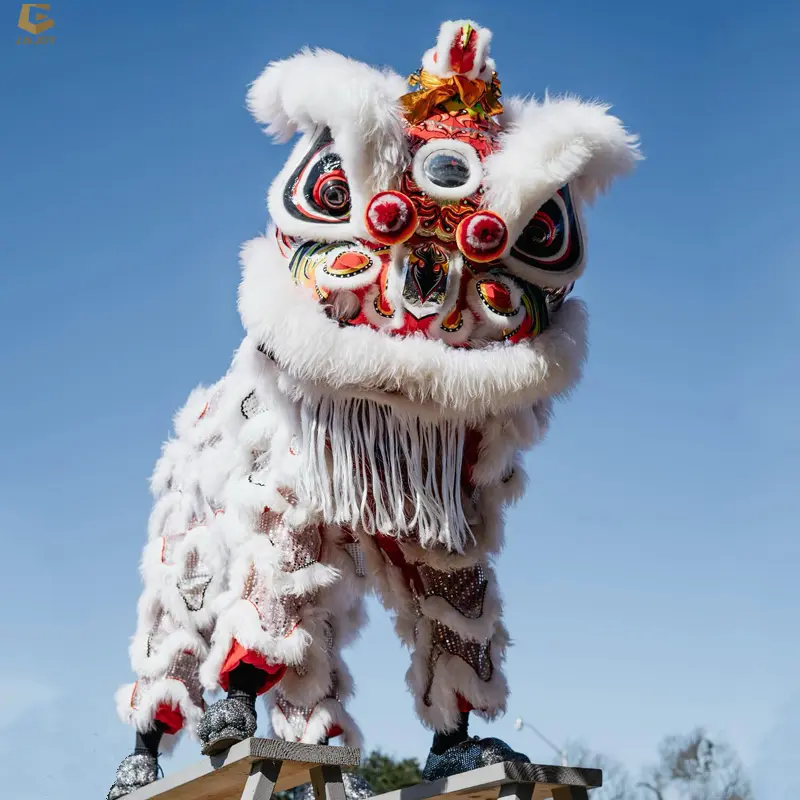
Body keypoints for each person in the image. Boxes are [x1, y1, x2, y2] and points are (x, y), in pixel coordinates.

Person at [107, 19, 639, 799]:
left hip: (424, 433)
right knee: (239, 553)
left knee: (446, 566)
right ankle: (168, 733)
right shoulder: (289, 359)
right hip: (309, 421)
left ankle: (452, 732)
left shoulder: (471, 389)